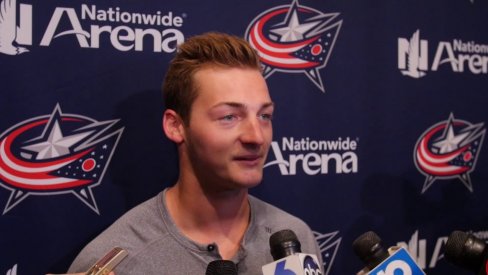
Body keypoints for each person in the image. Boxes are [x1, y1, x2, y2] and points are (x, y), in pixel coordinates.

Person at [67, 32, 322, 274]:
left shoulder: (294, 237)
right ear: (176, 126)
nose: (256, 136)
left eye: (264, 115)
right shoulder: (116, 262)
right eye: (229, 117)